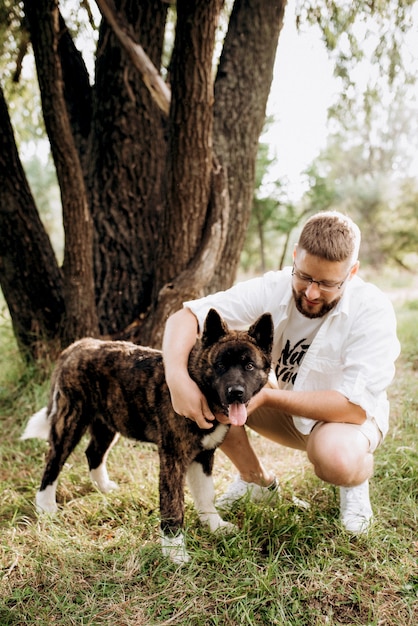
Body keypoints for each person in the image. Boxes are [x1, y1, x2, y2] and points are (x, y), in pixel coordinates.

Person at [162, 211, 400, 534]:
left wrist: (270, 398)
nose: (312, 292)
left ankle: (355, 482)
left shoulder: (372, 311)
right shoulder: (273, 287)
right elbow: (185, 317)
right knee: (211, 388)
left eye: (327, 283)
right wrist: (177, 380)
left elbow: (354, 408)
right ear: (294, 257)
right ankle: (256, 481)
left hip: (343, 423)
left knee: (336, 458)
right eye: (304, 276)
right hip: (278, 404)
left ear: (352, 272)